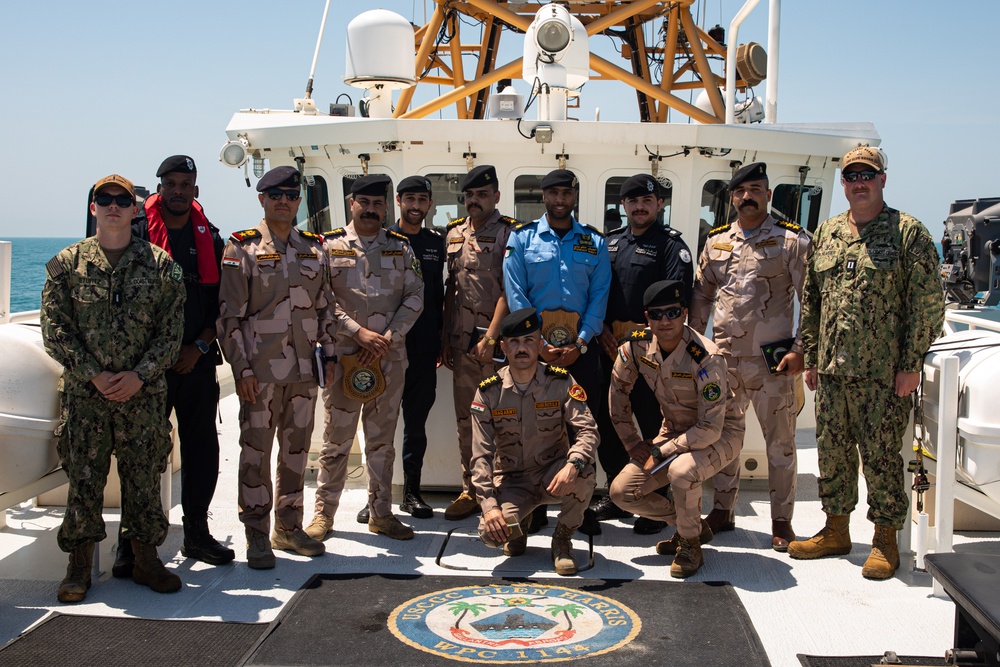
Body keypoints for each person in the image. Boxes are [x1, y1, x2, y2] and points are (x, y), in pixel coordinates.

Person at [788, 146, 944, 579]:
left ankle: (884, 540)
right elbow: (814, 300)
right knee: (832, 455)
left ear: (882, 180)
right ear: (843, 183)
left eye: (867, 175)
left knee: (881, 458)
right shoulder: (828, 233)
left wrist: (910, 363)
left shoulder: (907, 233)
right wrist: (813, 358)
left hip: (882, 374)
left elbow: (927, 303)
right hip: (834, 373)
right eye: (851, 175)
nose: (859, 182)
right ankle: (836, 530)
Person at [42, 174, 186, 602]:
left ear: (135, 209)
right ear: (93, 209)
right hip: (87, 397)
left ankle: (145, 561)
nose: (113, 206)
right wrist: (93, 373)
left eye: (122, 200)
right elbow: (55, 329)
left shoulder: (161, 265)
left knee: (143, 479)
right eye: (103, 199)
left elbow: (171, 330)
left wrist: (139, 374)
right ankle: (78, 568)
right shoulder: (67, 264)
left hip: (141, 397)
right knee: (84, 481)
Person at [113, 155, 233, 578]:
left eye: (186, 183)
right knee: (141, 454)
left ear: (196, 190)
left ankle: (197, 534)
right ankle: (131, 544)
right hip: (146, 369)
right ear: (159, 188)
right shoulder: (134, 234)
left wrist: (199, 346)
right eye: (171, 183)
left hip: (194, 362)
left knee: (202, 449)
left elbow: (223, 305)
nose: (179, 190)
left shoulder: (213, 240)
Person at [217, 165, 335, 569]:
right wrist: (242, 371)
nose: (283, 200)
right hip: (261, 374)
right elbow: (229, 317)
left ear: (298, 201)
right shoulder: (242, 248)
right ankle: (255, 533)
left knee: (296, 454)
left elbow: (325, 308)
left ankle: (287, 527)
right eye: (275, 194)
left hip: (304, 373)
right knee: (255, 453)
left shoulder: (313, 248)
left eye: (290, 194)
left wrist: (330, 355)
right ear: (262, 199)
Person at [689, 162, 809, 551]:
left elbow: (812, 300)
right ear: (732, 197)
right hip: (723, 361)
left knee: (780, 444)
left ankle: (781, 520)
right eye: (740, 191)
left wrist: (800, 350)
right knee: (724, 439)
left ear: (768, 195)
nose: (747, 197)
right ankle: (723, 511)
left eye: (755, 189)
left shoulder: (792, 241)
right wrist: (694, 347)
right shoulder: (717, 240)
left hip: (772, 363)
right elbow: (703, 295)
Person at [307, 174, 424, 542]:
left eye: (378, 204)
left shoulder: (400, 247)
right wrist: (357, 332)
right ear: (351, 204)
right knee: (336, 442)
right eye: (364, 203)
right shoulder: (328, 246)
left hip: (388, 359)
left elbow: (415, 295)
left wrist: (390, 336)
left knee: (381, 443)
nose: (371, 210)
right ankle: (324, 516)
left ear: (385, 207)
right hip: (343, 358)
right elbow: (320, 298)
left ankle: (381, 514)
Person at [608, 280, 745, 578]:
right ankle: (692, 525)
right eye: (657, 314)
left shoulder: (706, 357)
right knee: (621, 492)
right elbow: (618, 393)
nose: (665, 321)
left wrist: (662, 450)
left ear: (684, 313)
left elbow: (710, 427)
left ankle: (690, 543)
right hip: (673, 430)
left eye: (672, 312)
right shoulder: (635, 347)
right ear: (647, 318)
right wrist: (632, 443)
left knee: (681, 472)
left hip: (721, 433)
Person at [503, 168, 610, 532]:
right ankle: (534, 506)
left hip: (582, 350)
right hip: (535, 353)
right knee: (535, 426)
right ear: (544, 197)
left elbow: (599, 296)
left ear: (574, 197)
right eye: (553, 194)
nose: (560, 200)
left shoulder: (594, 242)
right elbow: (516, 293)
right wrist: (539, 345)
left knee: (584, 425)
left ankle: (580, 507)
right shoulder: (522, 239)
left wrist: (581, 342)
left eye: (566, 193)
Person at [593, 173, 694, 534]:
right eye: (633, 201)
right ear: (623, 206)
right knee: (610, 419)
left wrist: (638, 337)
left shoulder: (670, 246)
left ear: (659, 205)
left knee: (655, 423)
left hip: (650, 353)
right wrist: (601, 328)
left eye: (647, 201)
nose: (639, 207)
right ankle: (615, 491)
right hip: (609, 348)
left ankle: (657, 498)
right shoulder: (610, 243)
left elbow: (677, 299)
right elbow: (597, 290)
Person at [471, 308, 598, 576]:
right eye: (514, 342)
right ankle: (519, 525)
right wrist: (489, 506)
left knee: (585, 471)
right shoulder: (488, 391)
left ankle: (562, 539)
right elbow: (480, 455)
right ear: (503, 347)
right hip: (513, 480)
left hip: (553, 473)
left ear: (541, 344)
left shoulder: (561, 381)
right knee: (490, 534)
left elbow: (588, 431)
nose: (521, 348)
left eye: (529, 340)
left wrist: (572, 465)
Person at [441, 165, 514, 521]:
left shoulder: (508, 234)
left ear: (496, 197)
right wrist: (445, 340)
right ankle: (471, 489)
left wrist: (491, 337)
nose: (475, 201)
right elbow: (450, 292)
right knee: (465, 419)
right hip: (461, 345)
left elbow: (510, 291)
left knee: (501, 418)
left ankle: (501, 489)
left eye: (482, 195)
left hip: (494, 347)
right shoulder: (453, 234)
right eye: (470, 195)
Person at [388, 175, 445, 519]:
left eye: (422, 200)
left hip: (423, 347)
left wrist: (439, 340)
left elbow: (438, 294)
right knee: (378, 425)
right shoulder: (382, 239)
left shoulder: (435, 243)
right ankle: (376, 497)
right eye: (409, 198)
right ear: (399, 201)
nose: (415, 206)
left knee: (416, 423)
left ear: (429, 204)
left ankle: (411, 492)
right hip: (387, 346)